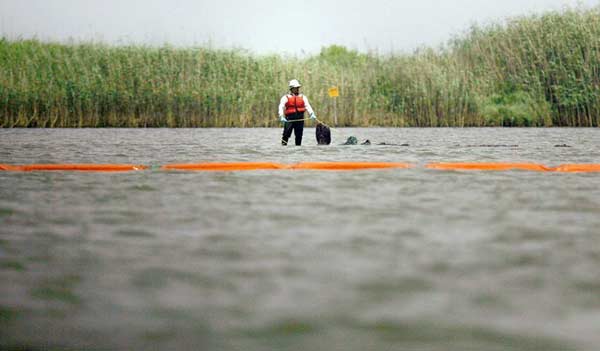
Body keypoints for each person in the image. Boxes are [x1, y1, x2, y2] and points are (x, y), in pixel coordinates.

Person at [278, 79, 317, 145]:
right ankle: (283, 147)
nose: (298, 89)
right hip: (289, 119)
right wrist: (281, 116)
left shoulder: (303, 97)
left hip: (300, 119)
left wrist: (312, 113)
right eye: (296, 88)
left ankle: (298, 149)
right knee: (286, 134)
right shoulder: (285, 97)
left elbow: (307, 106)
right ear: (291, 88)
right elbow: (281, 106)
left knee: (299, 136)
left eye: (298, 87)